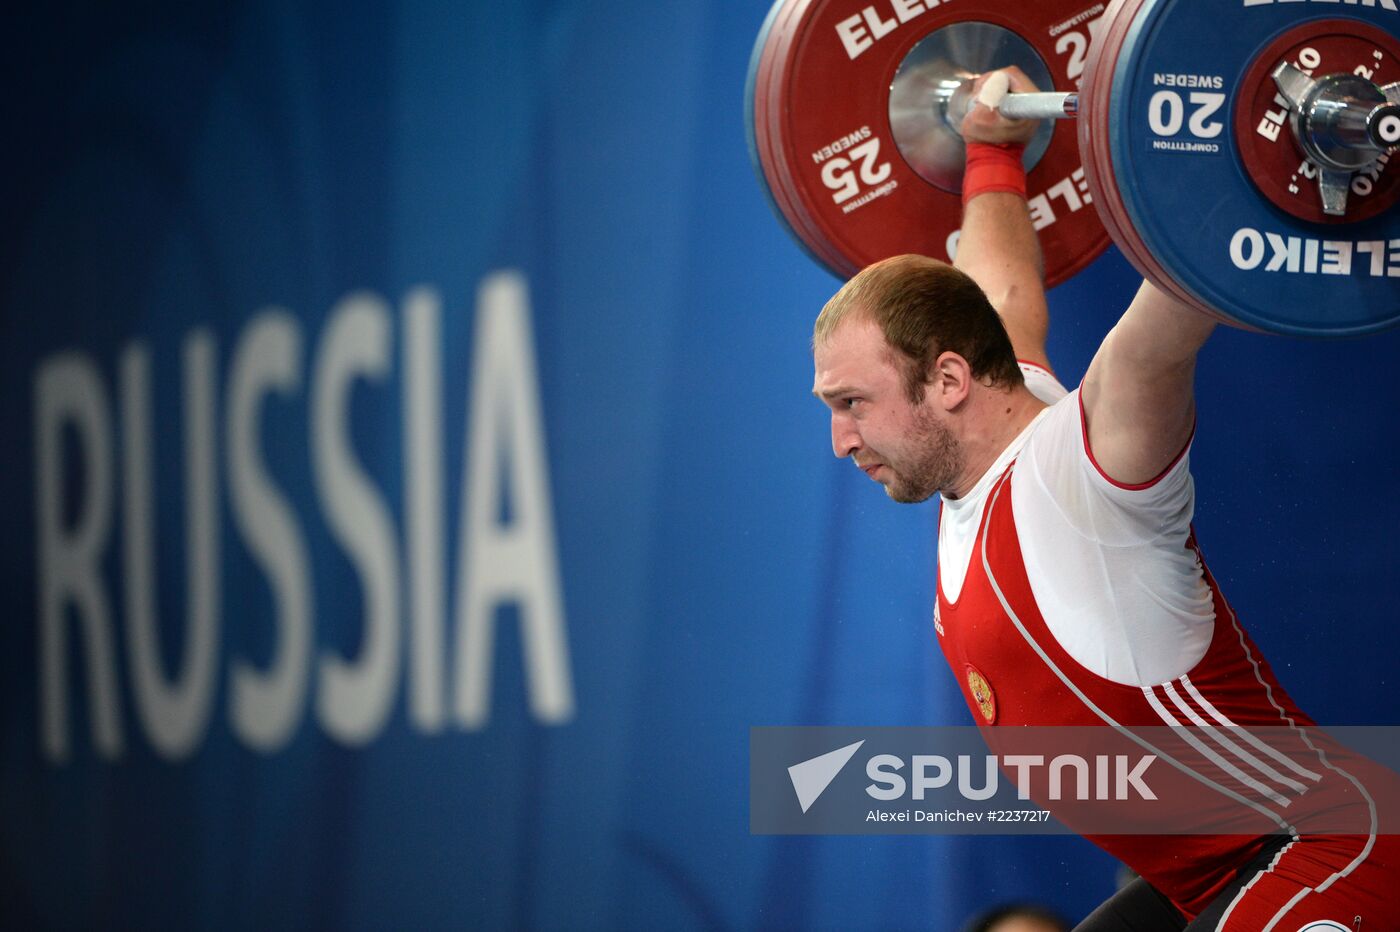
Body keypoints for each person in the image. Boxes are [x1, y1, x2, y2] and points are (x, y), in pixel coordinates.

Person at [810, 68, 1398, 930]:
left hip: (1320, 848)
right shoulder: (987, 429)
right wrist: (989, 149)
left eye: (852, 405)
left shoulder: (1086, 465)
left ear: (946, 381)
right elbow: (1001, 287)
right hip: (1200, 881)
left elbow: (1176, 305)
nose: (842, 441)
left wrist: (1272, 150)